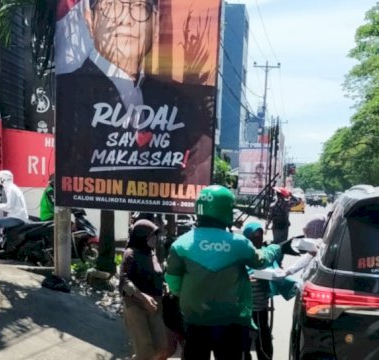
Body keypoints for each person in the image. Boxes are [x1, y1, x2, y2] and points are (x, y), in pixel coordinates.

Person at [55, 0, 215, 202]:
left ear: (155, 25)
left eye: (139, 7)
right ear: (90, 18)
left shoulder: (182, 105)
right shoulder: (68, 95)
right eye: (112, 6)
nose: (126, 19)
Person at [164, 185, 281, 360]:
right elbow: (261, 260)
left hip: (195, 320)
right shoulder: (239, 244)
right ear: (226, 210)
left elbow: (173, 282)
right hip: (231, 322)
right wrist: (275, 248)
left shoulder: (181, 244)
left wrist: (189, 296)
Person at [119, 219, 176, 360]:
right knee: (145, 349)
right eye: (152, 235)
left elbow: (156, 274)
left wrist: (164, 285)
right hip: (136, 305)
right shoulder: (130, 254)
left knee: (163, 347)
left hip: (155, 305)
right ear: (142, 236)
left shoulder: (152, 253)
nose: (155, 239)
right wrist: (143, 296)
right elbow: (124, 281)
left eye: (155, 235)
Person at [242, 222, 274, 360]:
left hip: (260, 306)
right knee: (243, 340)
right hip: (243, 307)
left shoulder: (265, 254)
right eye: (254, 236)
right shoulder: (241, 253)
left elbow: (275, 270)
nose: (258, 239)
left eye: (260, 236)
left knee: (263, 339)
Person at [0, 170, 29, 255]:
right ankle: (2, 243)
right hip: (18, 216)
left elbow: (9, 206)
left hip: (17, 218)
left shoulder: (10, 189)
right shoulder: (12, 188)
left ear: (2, 179)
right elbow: (10, 206)